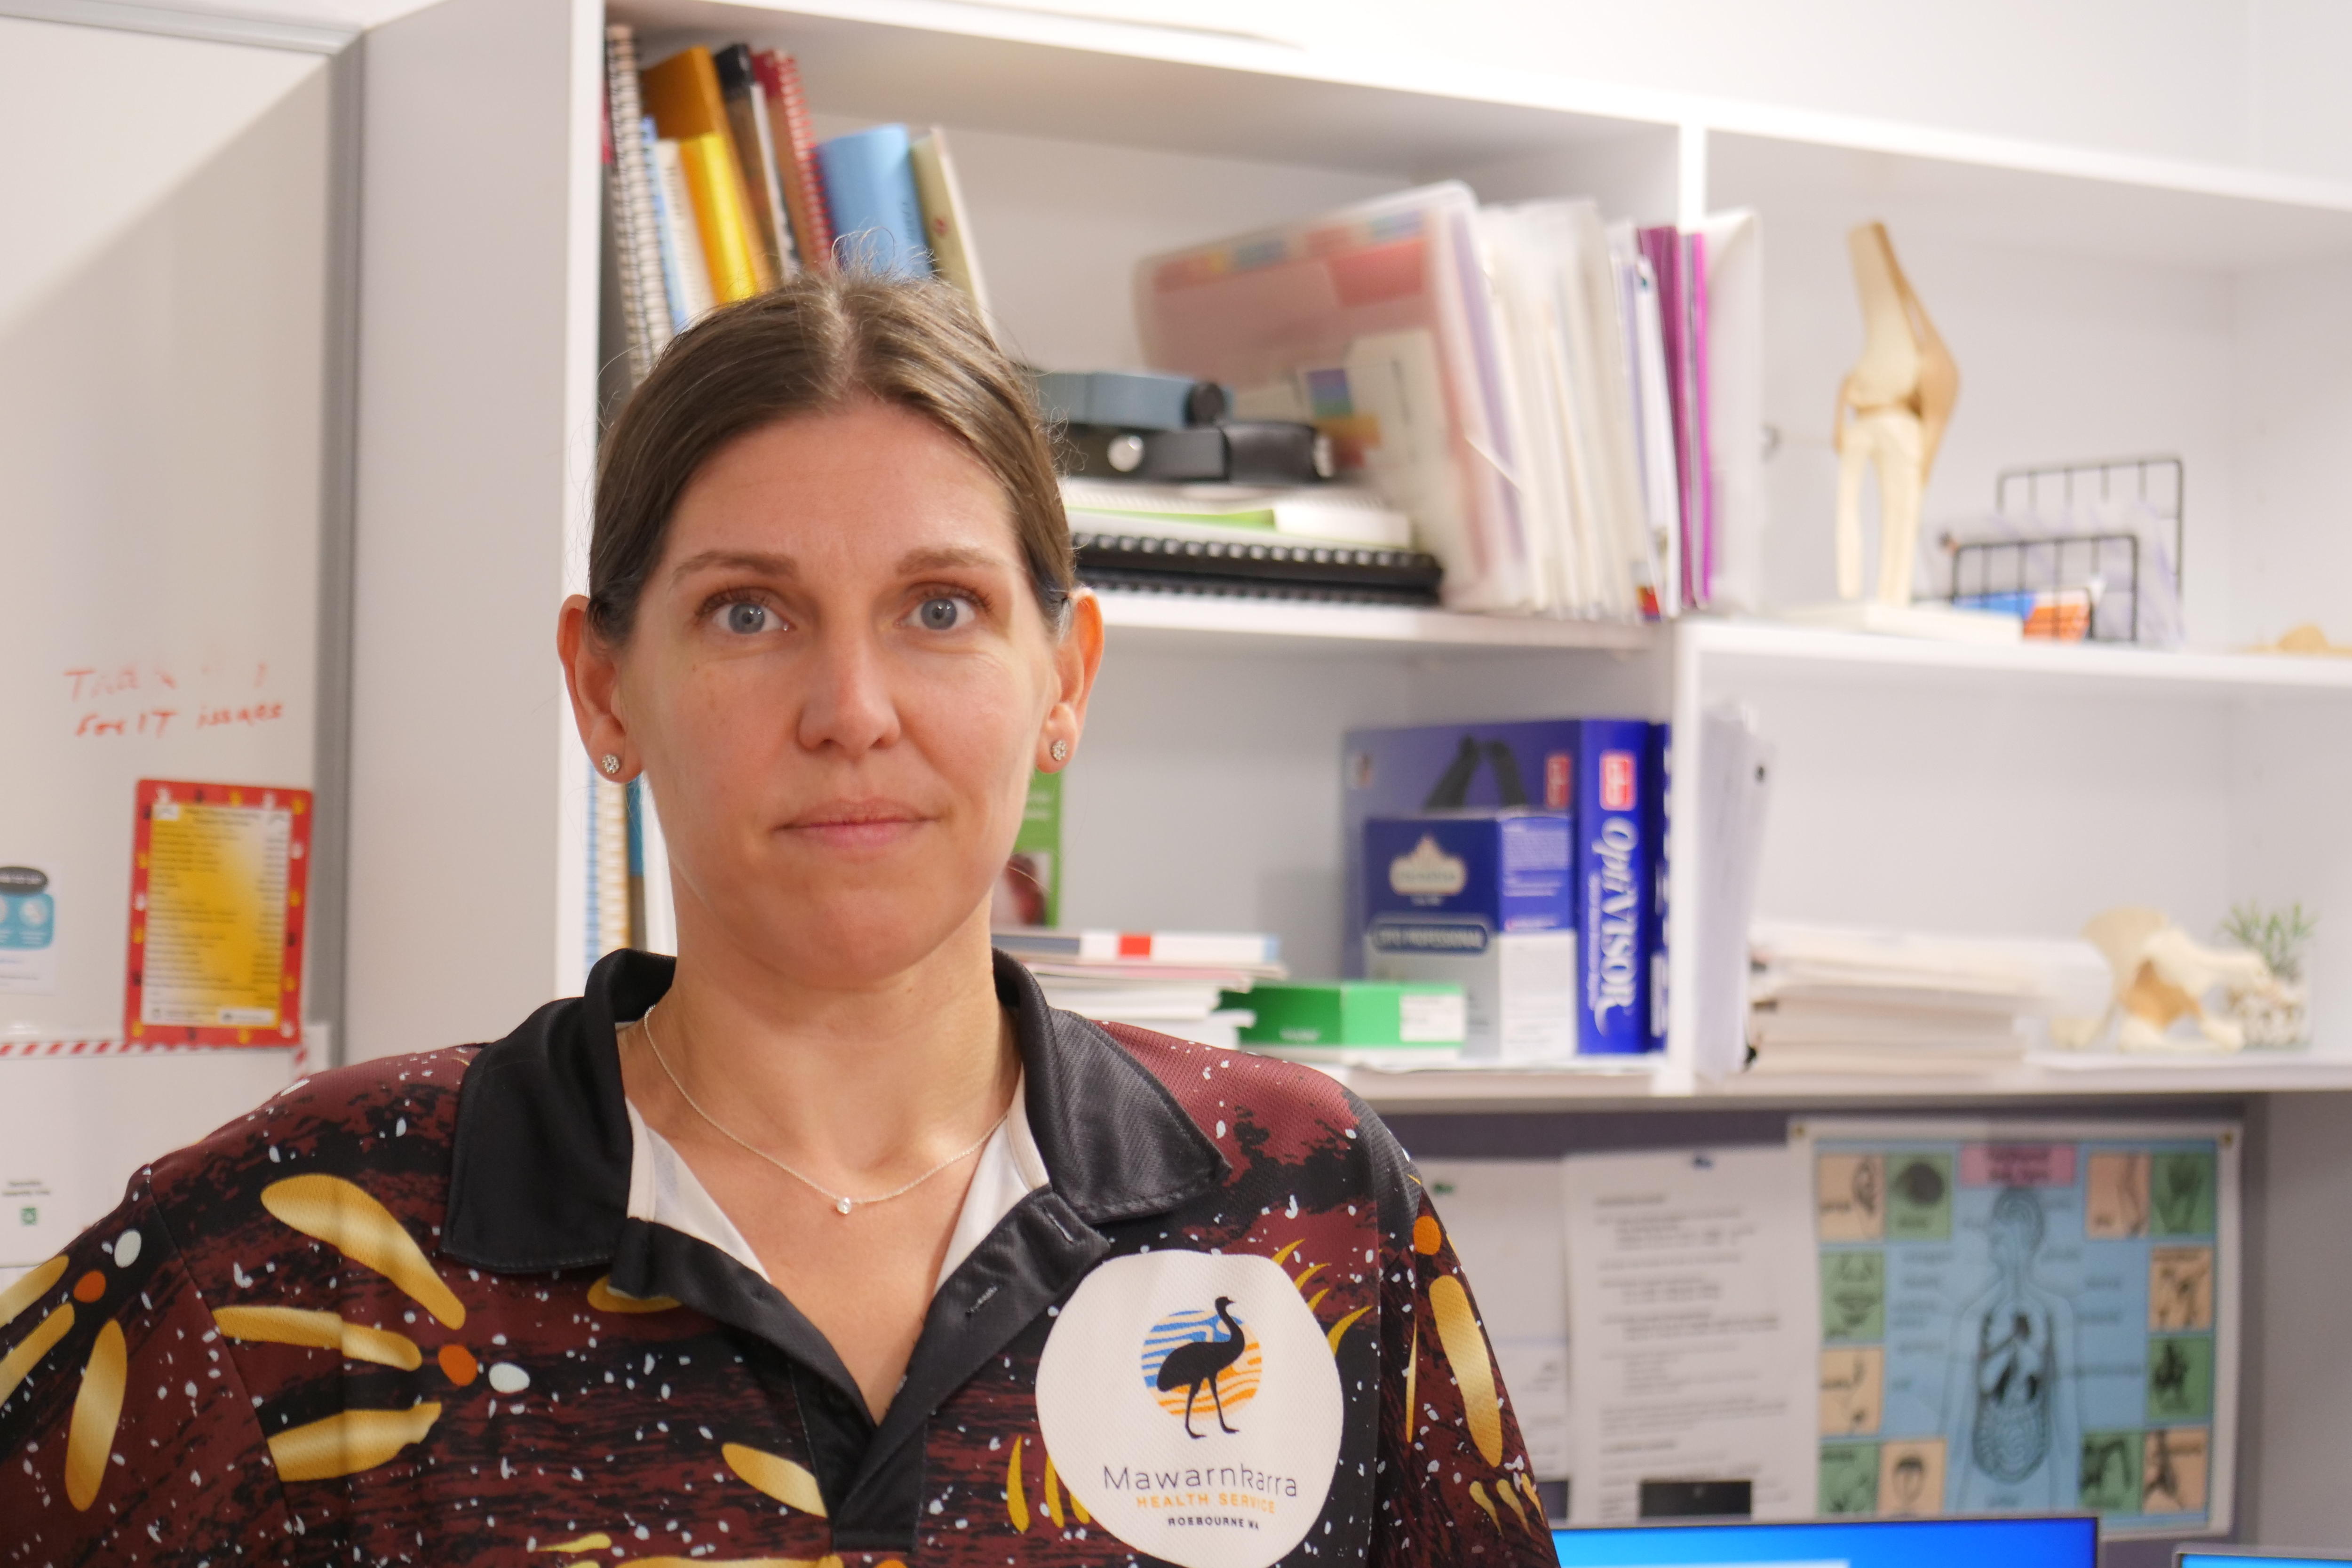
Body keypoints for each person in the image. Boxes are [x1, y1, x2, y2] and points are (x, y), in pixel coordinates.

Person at [0, 273, 1553, 1567]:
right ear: (606, 685)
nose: (852, 710)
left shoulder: (1304, 1203)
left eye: (940, 609)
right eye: (749, 612)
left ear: (1065, 676)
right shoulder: (310, 1233)